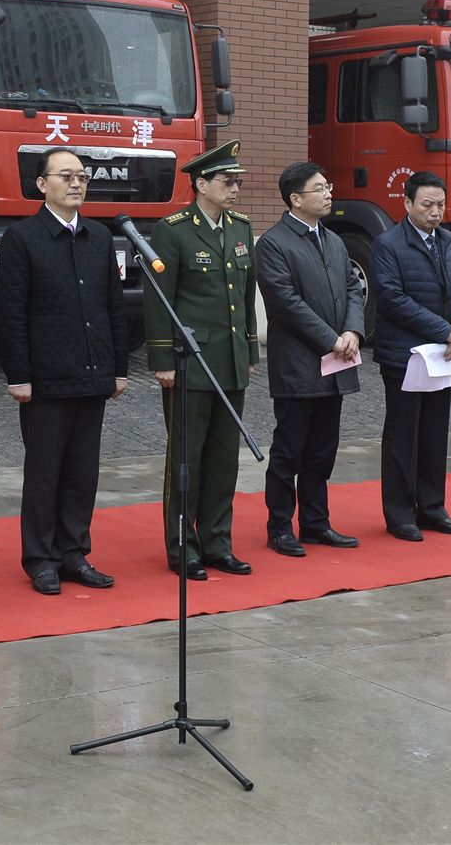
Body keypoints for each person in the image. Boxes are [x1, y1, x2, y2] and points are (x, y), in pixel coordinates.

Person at [0, 147, 129, 594]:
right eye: (66, 175)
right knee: (45, 472)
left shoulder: (99, 237)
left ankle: (74, 553)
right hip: (46, 377)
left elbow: (113, 307)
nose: (76, 183)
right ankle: (41, 559)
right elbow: (11, 312)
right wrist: (19, 375)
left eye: (82, 176)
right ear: (42, 184)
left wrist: (119, 368)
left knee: (82, 472)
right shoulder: (22, 238)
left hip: (92, 374)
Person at [144, 138, 258, 580]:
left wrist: (248, 349)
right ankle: (182, 548)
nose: (234, 190)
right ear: (201, 184)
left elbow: (247, 296)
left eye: (237, 183)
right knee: (186, 459)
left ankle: (217, 542)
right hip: (191, 361)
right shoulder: (173, 230)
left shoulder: (241, 227)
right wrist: (162, 359)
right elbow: (160, 299)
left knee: (223, 458)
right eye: (227, 182)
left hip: (228, 360)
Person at [256, 161, 365, 557]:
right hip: (299, 365)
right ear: (296, 198)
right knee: (290, 448)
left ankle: (316, 522)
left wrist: (353, 332)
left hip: (335, 362)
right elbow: (286, 304)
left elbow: (353, 287)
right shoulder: (273, 244)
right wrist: (331, 339)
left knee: (323, 449)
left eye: (328, 185)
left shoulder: (334, 240)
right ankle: (280, 525)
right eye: (319, 188)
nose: (328, 193)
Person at [372, 171, 451, 542]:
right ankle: (400, 514)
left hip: (443, 354)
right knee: (403, 435)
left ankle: (432, 508)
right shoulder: (389, 244)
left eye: (441, 205)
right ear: (408, 204)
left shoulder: (448, 241)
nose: (435, 212)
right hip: (406, 355)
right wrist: (443, 330)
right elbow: (392, 298)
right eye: (427, 205)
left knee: (434, 434)